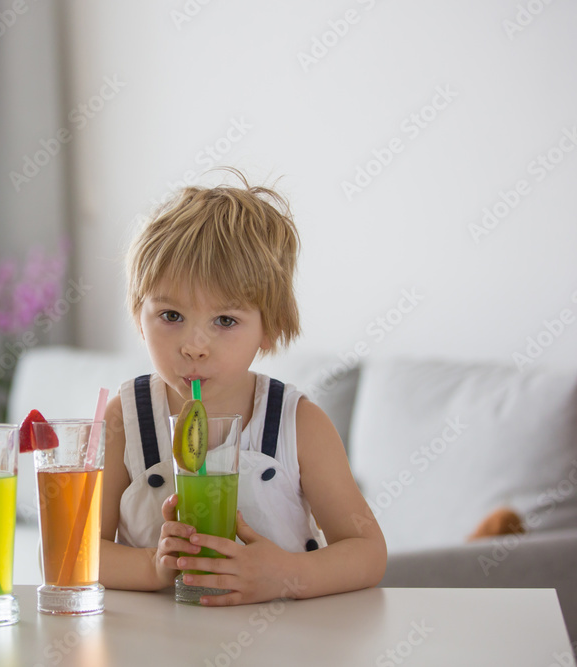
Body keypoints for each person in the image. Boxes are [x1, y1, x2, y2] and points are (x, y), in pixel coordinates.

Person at [99, 171, 386, 606]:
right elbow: (75, 553)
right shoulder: (125, 418)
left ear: (269, 329)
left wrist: (287, 575)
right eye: (171, 316)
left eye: (226, 321)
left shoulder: (299, 423)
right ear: (140, 315)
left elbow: (368, 552)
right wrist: (153, 566)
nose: (194, 347)